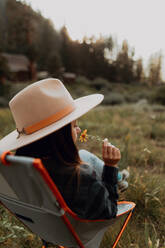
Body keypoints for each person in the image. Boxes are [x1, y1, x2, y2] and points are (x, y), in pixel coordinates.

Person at [0, 78, 125, 220]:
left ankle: (120, 177)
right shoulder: (80, 178)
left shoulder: (20, 169)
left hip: (46, 228)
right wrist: (110, 167)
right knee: (86, 158)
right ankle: (119, 177)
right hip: (78, 233)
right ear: (60, 134)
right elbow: (110, 210)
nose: (78, 130)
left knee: (83, 154)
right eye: (73, 125)